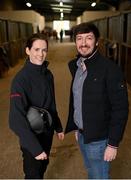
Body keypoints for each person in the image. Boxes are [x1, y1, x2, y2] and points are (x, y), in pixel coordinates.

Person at [65, 22, 128, 179]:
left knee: (99, 176)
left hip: (99, 141)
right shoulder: (77, 66)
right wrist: (76, 126)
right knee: (92, 173)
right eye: (79, 38)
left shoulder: (110, 70)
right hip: (81, 135)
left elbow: (120, 108)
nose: (83, 43)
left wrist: (113, 144)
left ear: (97, 41)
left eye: (89, 38)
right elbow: (78, 99)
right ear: (75, 42)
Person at [9, 33, 64, 179]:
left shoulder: (48, 75)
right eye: (36, 49)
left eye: (44, 50)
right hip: (31, 135)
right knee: (33, 173)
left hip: (47, 131)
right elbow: (15, 120)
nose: (41, 54)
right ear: (28, 50)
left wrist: (58, 126)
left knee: (43, 167)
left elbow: (51, 104)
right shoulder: (20, 80)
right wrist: (34, 148)